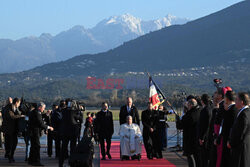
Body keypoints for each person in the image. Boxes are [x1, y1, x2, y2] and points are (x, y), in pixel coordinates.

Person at [176, 98, 200, 167]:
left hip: (189, 138)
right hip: (197, 137)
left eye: (188, 105)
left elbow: (180, 126)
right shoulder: (199, 111)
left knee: (190, 156)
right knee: (197, 157)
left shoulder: (189, 115)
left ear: (190, 105)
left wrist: (178, 120)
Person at [28, 102, 54, 166]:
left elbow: (40, 116)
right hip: (35, 132)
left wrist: (46, 114)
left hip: (31, 131)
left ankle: (31, 160)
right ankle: (37, 161)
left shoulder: (34, 111)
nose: (43, 109)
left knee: (33, 146)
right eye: (43, 108)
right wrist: (49, 127)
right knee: (37, 146)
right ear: (40, 107)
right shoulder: (37, 113)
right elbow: (40, 123)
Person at [228, 92, 250, 167]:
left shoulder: (244, 114)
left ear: (242, 102)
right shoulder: (246, 112)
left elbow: (240, 132)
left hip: (240, 147)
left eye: (236, 99)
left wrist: (232, 143)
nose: (235, 101)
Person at [59, 100, 83, 167]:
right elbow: (81, 120)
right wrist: (79, 110)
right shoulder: (75, 111)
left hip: (65, 132)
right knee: (73, 148)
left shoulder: (63, 111)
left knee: (63, 148)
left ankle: (60, 163)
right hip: (73, 132)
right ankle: (72, 163)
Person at [3, 98, 24, 163]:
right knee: (11, 143)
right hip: (9, 129)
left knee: (13, 143)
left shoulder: (15, 108)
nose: (19, 104)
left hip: (13, 129)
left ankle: (10, 155)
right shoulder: (8, 108)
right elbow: (11, 116)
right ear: (16, 102)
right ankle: (10, 156)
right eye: (19, 103)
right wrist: (20, 116)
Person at [219, 91, 238, 167]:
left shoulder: (231, 111)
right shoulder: (235, 109)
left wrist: (229, 139)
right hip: (228, 139)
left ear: (226, 99)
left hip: (228, 139)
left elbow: (229, 126)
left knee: (227, 160)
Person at [198, 94, 212, 167]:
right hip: (209, 136)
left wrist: (202, 137)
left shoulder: (204, 111)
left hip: (205, 137)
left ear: (202, 101)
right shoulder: (211, 109)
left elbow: (204, 125)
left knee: (204, 157)